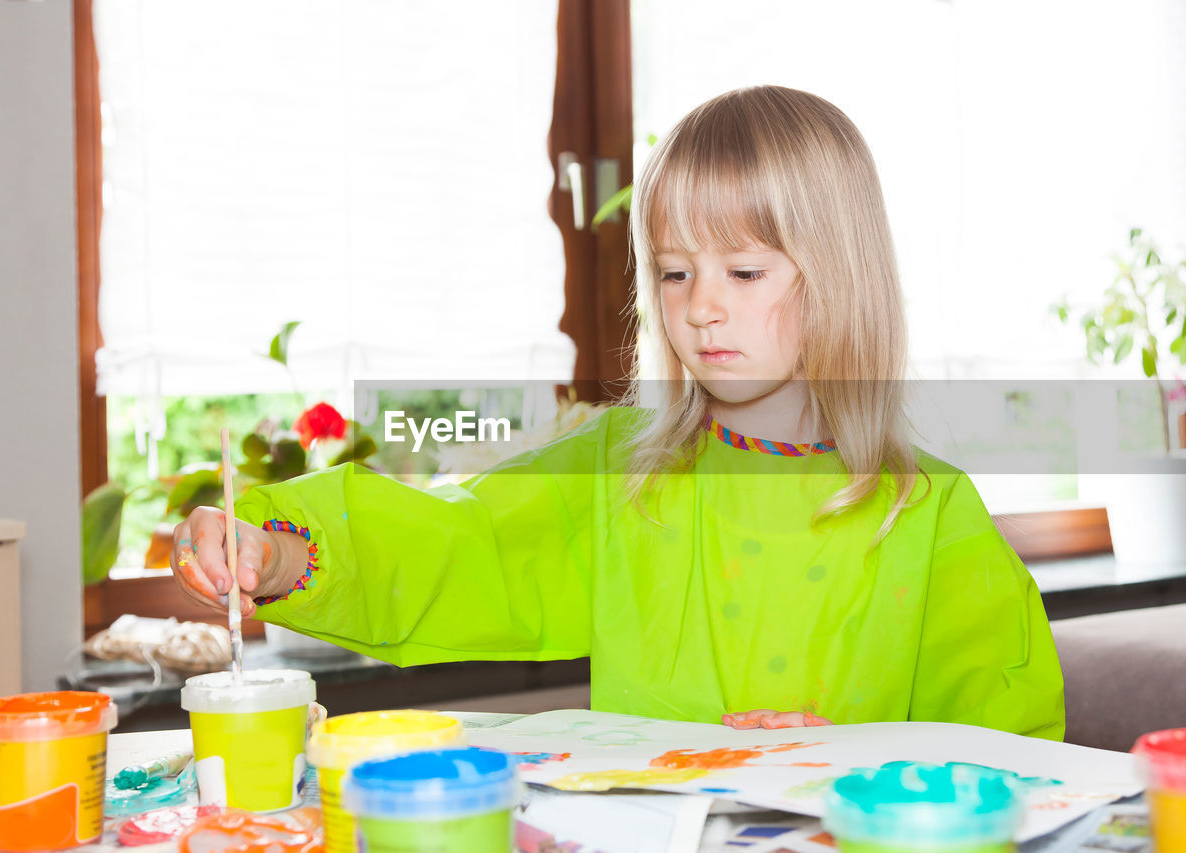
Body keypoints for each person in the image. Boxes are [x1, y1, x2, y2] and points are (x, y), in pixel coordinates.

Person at [171, 86, 1065, 739]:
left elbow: (1010, 752)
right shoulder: (619, 473)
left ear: (841, 277)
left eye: (743, 271)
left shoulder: (934, 515)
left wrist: (861, 763)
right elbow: (458, 540)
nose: (700, 305)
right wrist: (280, 547)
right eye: (675, 272)